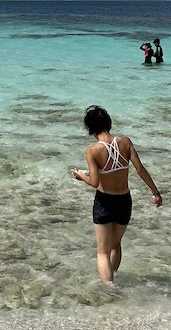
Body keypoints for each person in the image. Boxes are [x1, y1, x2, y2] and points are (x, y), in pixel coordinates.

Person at [70, 105, 163, 285]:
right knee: (115, 244)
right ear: (108, 122)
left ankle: (109, 288)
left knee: (102, 251)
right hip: (124, 200)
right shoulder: (125, 142)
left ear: (90, 128)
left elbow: (95, 182)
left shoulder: (92, 151)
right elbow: (140, 169)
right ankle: (113, 280)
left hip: (104, 202)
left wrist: (80, 175)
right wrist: (155, 192)